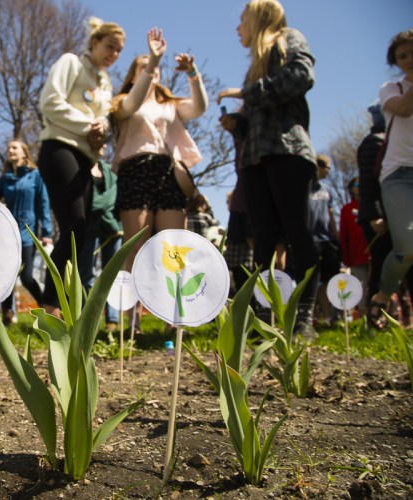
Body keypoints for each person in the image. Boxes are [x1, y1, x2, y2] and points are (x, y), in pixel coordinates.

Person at [218, 0, 319, 338]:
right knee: (262, 239)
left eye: (242, 19)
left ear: (259, 18)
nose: (237, 27)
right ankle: (262, 315)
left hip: (287, 148)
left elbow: (301, 76)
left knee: (296, 232)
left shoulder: (287, 38)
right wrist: (238, 122)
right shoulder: (255, 65)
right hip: (254, 159)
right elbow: (258, 114)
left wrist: (247, 93)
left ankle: (302, 314)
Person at [37, 17, 125, 316]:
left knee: (80, 231)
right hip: (60, 148)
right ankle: (51, 308)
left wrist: (101, 133)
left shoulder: (106, 84)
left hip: (87, 158)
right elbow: (49, 102)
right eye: (110, 46)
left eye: (119, 51)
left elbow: (100, 125)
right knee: (73, 224)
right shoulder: (71, 63)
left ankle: (63, 304)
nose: (114, 54)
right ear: (95, 42)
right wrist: (89, 124)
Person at [111, 28, 206, 269]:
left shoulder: (170, 105)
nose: (151, 72)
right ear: (133, 77)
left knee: (173, 250)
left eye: (153, 69)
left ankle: (172, 306)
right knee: (135, 248)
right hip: (135, 171)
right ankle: (129, 308)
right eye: (142, 68)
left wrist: (193, 74)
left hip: (168, 172)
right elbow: (132, 103)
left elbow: (199, 107)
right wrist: (153, 59)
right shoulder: (122, 103)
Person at [367, 29, 413, 329]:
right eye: (403, 56)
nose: (409, 60)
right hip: (398, 175)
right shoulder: (391, 89)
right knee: (407, 247)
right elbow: (404, 108)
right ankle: (383, 294)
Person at [0, 140, 53, 325]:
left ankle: (46, 309)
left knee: (26, 277)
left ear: (25, 153)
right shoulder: (6, 178)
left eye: (15, 147)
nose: (10, 150)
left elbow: (43, 203)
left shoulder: (35, 175)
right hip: (7, 233)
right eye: (8, 148)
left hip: (28, 233)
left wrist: (47, 231)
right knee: (6, 276)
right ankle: (7, 314)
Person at [77, 152, 121, 330]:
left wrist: (103, 209)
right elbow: (92, 202)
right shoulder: (80, 170)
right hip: (89, 227)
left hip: (113, 228)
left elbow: (111, 198)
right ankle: (85, 318)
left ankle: (112, 319)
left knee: (111, 273)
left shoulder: (111, 172)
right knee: (86, 273)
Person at [310, 154, 341, 324]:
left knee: (330, 278)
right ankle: (313, 316)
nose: (328, 171)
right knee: (311, 279)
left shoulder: (326, 190)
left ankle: (329, 316)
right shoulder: (304, 188)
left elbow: (330, 214)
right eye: (326, 167)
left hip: (326, 239)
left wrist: (336, 236)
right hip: (310, 239)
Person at [338, 176, 369, 311]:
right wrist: (346, 257)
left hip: (374, 253)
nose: (359, 186)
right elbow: (343, 234)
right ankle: (364, 317)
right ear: (351, 188)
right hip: (356, 255)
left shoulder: (371, 205)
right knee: (361, 286)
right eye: (356, 184)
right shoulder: (346, 209)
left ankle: (383, 316)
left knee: (378, 284)